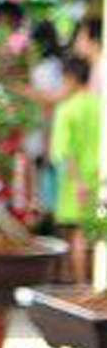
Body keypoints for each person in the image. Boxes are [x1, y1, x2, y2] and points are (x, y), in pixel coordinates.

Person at [51, 54, 101, 284]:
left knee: (78, 234)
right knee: (97, 233)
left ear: (71, 78)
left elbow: (65, 152)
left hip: (76, 181)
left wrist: (78, 181)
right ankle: (96, 283)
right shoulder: (100, 104)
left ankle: (82, 286)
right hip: (100, 179)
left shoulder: (67, 109)